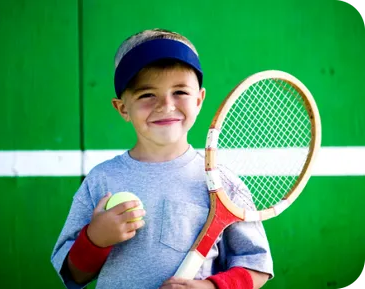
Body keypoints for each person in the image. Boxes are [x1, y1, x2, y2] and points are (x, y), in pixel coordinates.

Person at [51, 28, 274, 289]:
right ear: (122, 108)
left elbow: (256, 267)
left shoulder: (223, 183)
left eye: (180, 92)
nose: (166, 105)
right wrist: (95, 239)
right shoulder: (101, 179)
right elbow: (73, 275)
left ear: (199, 100)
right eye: (147, 95)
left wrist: (210, 287)